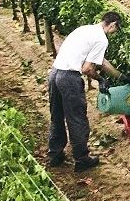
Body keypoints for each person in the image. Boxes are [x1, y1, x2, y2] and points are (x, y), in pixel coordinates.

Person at [49, 11, 121, 169]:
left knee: (57, 115)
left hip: (55, 73)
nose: (115, 32)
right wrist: (100, 80)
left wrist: (117, 75)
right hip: (69, 78)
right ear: (113, 24)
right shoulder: (102, 39)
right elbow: (87, 68)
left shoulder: (85, 29)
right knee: (77, 119)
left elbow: (100, 60)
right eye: (117, 28)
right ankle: (82, 160)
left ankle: (55, 154)